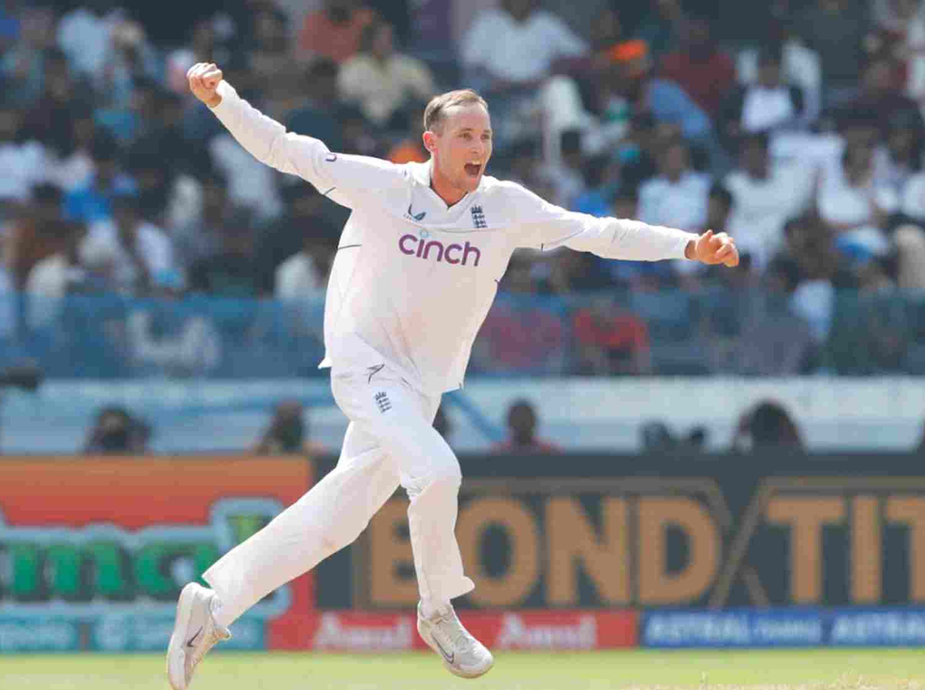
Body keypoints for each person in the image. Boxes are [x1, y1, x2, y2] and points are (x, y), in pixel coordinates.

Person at [167, 62, 739, 690]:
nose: (479, 148)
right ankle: (437, 610)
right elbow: (287, 150)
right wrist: (221, 98)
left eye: (486, 136)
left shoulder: (503, 206)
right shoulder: (386, 185)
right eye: (465, 135)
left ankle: (213, 606)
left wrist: (688, 246)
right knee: (438, 471)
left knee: (338, 521)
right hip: (365, 364)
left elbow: (596, 232)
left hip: (420, 385)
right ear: (431, 142)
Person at [491, 399, 561, 453]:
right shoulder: (497, 452)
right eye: (518, 420)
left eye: (525, 419)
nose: (522, 423)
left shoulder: (551, 451)